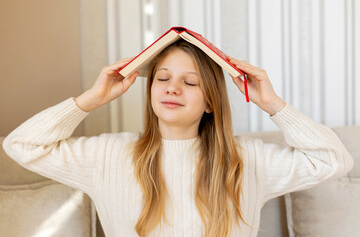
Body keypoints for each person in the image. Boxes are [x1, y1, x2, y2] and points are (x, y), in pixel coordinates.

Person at [2, 39, 354, 237]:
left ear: (211, 101)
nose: (172, 88)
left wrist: (272, 104)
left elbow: (333, 161)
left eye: (190, 82)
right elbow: (22, 145)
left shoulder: (246, 159)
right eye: (162, 78)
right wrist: (92, 99)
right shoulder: (108, 154)